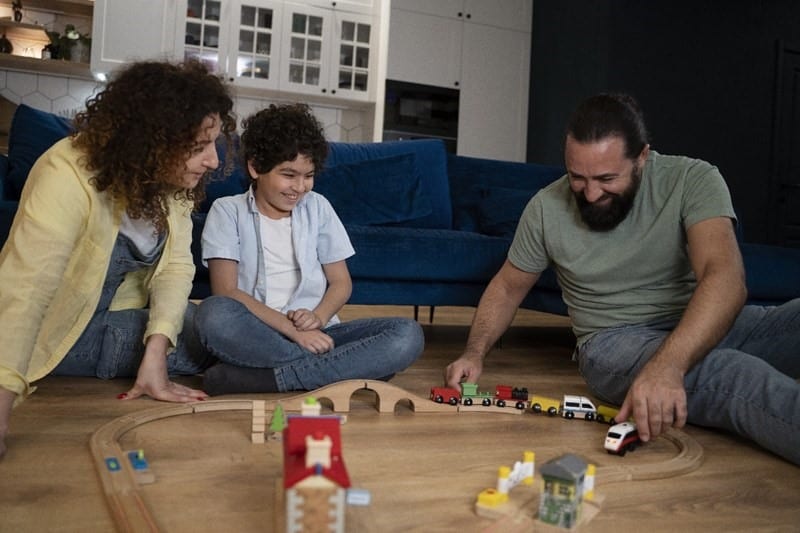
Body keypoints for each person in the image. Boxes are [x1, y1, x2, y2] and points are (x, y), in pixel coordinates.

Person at [445, 93, 800, 465]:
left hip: (695, 320)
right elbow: (507, 287)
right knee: (736, 374)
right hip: (613, 342)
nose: (590, 193)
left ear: (642, 156)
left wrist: (667, 367)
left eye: (606, 178)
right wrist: (473, 352)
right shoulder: (545, 209)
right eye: (577, 177)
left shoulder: (692, 179)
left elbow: (724, 278)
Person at [0, 60, 237, 459]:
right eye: (199, 147)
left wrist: (156, 356)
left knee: (216, 319)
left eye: (213, 144)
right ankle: (294, 368)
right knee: (217, 333)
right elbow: (27, 289)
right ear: (151, 143)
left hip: (122, 316)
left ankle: (287, 365)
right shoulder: (66, 172)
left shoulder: (169, 182)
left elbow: (177, 267)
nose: (213, 161)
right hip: (60, 332)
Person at [196, 103, 424, 394]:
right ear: (255, 167)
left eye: (309, 175)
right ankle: (345, 370)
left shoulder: (318, 207)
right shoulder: (227, 211)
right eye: (289, 175)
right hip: (256, 334)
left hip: (320, 334)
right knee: (213, 314)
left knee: (406, 335)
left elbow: (341, 283)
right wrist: (293, 331)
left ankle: (268, 378)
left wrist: (319, 317)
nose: (300, 187)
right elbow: (227, 291)